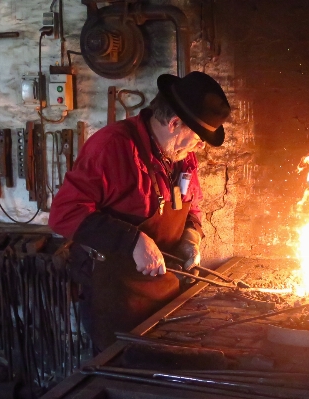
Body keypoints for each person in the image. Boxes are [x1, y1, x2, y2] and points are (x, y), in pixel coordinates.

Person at [48, 71, 231, 351]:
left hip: (164, 295)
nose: (200, 145)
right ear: (174, 123)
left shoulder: (182, 155)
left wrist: (191, 235)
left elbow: (192, 203)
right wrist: (132, 240)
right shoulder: (111, 147)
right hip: (115, 298)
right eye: (198, 137)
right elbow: (64, 213)